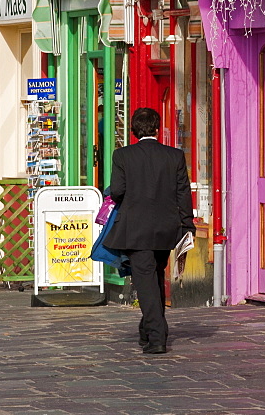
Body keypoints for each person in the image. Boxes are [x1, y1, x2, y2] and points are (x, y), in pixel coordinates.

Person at [103, 107, 194, 354]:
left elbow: (118, 191)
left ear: (133, 130)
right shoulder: (174, 155)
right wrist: (188, 224)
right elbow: (183, 193)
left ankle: (157, 337)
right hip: (166, 229)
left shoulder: (122, 155)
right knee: (153, 277)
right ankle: (147, 329)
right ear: (156, 128)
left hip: (136, 228)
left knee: (145, 283)